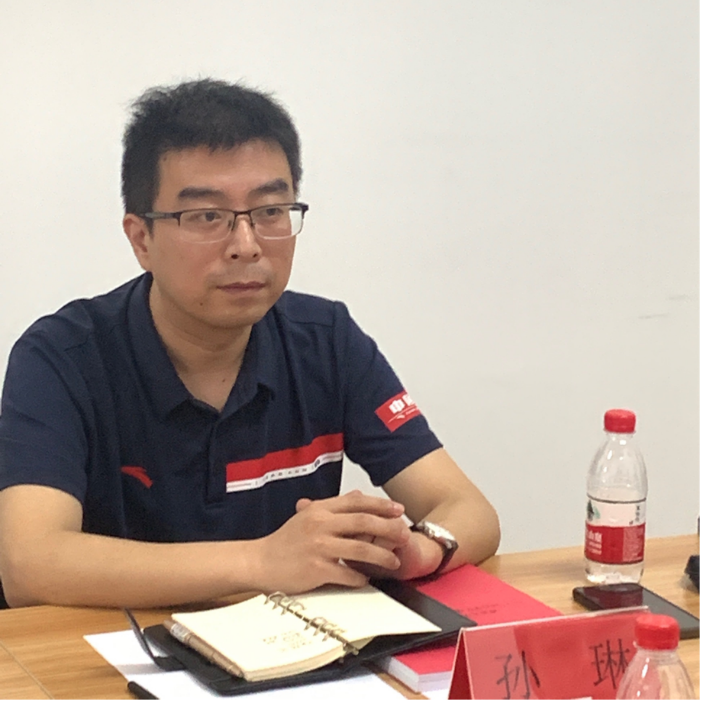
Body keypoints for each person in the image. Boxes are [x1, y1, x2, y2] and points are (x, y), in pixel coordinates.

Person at [0, 79, 499, 609]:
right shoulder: (62, 357)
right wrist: (261, 562)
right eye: (206, 216)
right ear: (141, 238)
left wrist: (420, 549)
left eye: (270, 212)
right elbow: (29, 565)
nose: (246, 245)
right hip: (105, 652)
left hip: (281, 649)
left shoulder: (326, 340)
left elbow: (469, 509)